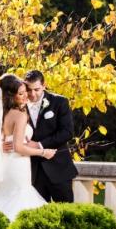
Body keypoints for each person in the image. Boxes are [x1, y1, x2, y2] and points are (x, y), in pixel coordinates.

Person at [0, 74, 51, 220]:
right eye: (21, 94)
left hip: (6, 164)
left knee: (5, 198)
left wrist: (1, 144)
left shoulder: (3, 114)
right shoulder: (20, 115)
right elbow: (19, 147)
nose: (26, 96)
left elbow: (0, 138)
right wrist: (43, 152)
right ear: (11, 96)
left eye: (25, 92)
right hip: (17, 164)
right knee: (20, 198)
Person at [19, 70, 77, 202]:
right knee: (37, 215)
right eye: (29, 89)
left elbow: (67, 132)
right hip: (32, 171)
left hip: (58, 167)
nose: (32, 94)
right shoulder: (19, 107)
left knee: (65, 213)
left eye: (37, 89)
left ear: (44, 85)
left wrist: (39, 145)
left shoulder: (59, 102)